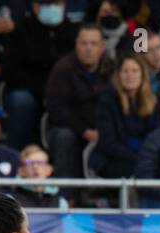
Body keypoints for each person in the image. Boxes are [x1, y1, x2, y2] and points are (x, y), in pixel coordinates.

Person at [0, 1, 79, 150]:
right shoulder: (20, 31)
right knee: (21, 101)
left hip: (65, 92)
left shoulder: (75, 32)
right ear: (35, 7)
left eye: (57, 3)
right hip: (30, 91)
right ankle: (16, 157)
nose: (53, 7)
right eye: (47, 3)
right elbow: (9, 72)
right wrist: (43, 91)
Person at [45, 23, 113, 183]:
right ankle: (67, 196)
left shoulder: (112, 68)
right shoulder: (62, 69)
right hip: (71, 128)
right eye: (84, 43)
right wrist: (85, 131)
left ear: (102, 47)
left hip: (105, 127)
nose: (88, 48)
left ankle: (106, 196)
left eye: (93, 43)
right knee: (65, 137)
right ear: (76, 44)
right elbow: (57, 110)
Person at [91, 53, 160, 179]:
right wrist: (139, 157)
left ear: (142, 75)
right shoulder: (107, 101)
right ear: (118, 75)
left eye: (134, 71)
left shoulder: (154, 102)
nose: (130, 76)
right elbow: (108, 143)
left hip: (145, 156)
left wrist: (147, 156)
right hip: (114, 159)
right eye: (125, 71)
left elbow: (156, 137)